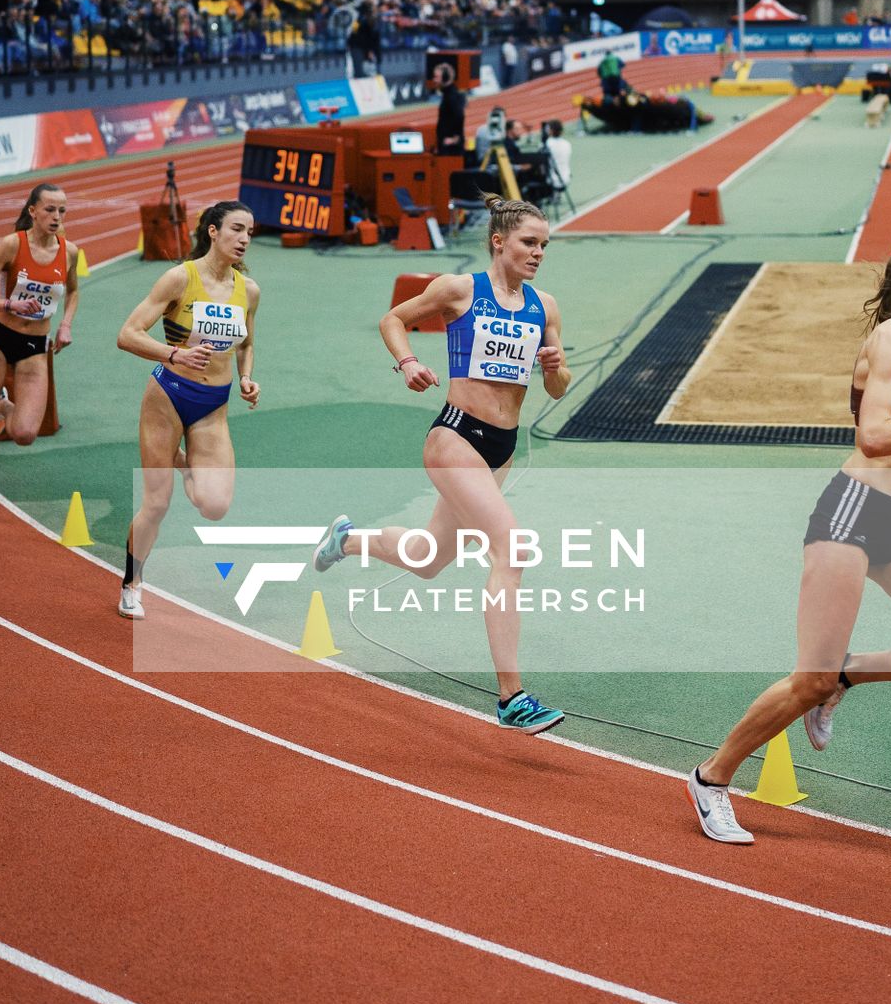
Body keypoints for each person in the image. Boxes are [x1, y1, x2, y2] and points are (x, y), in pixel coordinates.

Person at [686, 223, 891, 846]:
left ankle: (848, 675)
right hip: (853, 515)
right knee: (804, 679)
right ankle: (711, 778)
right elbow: (871, 436)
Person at [315, 196, 570, 733]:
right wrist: (407, 361)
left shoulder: (543, 306)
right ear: (499, 241)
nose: (538, 252)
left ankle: (347, 538)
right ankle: (511, 696)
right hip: (455, 436)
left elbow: (556, 386)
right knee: (512, 546)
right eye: (529, 242)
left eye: (545, 244)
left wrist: (555, 366)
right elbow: (393, 319)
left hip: (500, 447)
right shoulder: (460, 290)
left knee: (428, 559)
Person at [114, 201, 260, 619]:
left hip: (214, 404)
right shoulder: (180, 278)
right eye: (236, 229)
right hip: (169, 396)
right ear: (213, 232)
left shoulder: (247, 290)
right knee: (157, 505)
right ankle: (132, 583)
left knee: (214, 506)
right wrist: (172, 355)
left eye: (250, 231)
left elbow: (247, 343)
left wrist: (247, 376)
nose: (245, 239)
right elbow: (127, 334)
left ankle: (178, 459)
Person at [0, 182, 80, 523]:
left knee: (24, 434)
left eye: (62, 210)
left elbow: (74, 292)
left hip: (36, 347)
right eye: (50, 209)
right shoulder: (12, 245)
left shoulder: (69, 251)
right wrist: (9, 303)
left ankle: (5, 403)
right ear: (32, 211)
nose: (56, 216)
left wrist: (65, 324)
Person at [433, 61, 466, 157]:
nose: (434, 80)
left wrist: (455, 138)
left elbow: (460, 115)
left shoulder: (451, 96)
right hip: (448, 145)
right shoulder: (448, 93)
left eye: (436, 77)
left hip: (451, 148)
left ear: (445, 78)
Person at [543, 119, 572, 190]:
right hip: (567, 177)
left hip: (553, 180)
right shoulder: (567, 143)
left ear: (550, 131)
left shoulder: (548, 144)